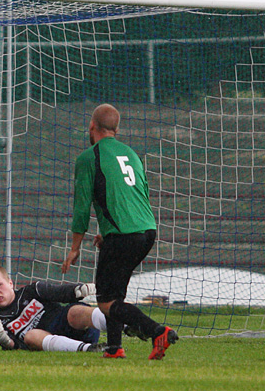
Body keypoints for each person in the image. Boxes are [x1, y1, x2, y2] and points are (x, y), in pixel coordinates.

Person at [61, 103, 178, 360]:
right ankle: (115, 347)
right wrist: (107, 231)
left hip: (124, 233)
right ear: (117, 129)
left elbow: (81, 207)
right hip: (146, 229)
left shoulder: (89, 157)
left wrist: (74, 248)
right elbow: (140, 193)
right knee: (115, 293)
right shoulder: (131, 154)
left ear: (92, 126)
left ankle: (157, 331)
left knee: (105, 301)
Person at [0, 265, 108, 353]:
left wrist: (78, 290)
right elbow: (19, 347)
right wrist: (7, 343)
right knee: (31, 336)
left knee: (74, 311)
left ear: (10, 283)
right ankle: (89, 349)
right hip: (52, 344)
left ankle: (123, 324)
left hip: (77, 329)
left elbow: (59, 292)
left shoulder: (31, 291)